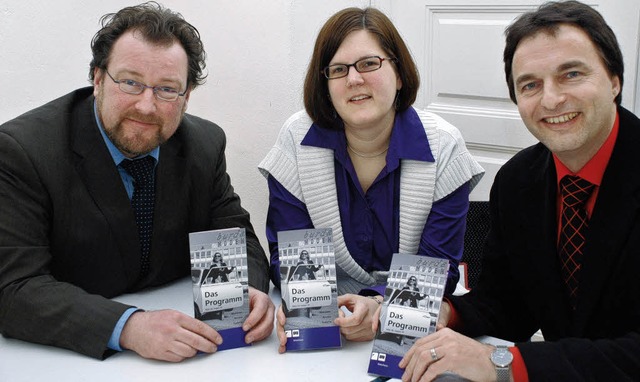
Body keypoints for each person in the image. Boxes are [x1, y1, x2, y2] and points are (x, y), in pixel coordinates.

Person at [0, 2, 274, 362]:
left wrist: (248, 289)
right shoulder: (23, 151)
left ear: (186, 96)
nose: (147, 106)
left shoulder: (205, 146)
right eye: (130, 82)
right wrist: (128, 327)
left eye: (166, 89)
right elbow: (13, 289)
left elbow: (237, 239)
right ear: (98, 79)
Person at [398, 1, 640, 381]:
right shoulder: (517, 181)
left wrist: (504, 363)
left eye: (571, 74)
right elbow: (507, 303)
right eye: (530, 84)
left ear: (615, 80)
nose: (551, 99)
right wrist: (448, 314)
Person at [258, 7, 484, 352]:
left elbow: (438, 269)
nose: (353, 79)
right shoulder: (295, 140)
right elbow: (290, 256)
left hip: (414, 322)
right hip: (329, 319)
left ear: (399, 73)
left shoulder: (444, 145)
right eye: (338, 69)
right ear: (325, 84)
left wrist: (378, 305)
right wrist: (325, 309)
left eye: (369, 64)